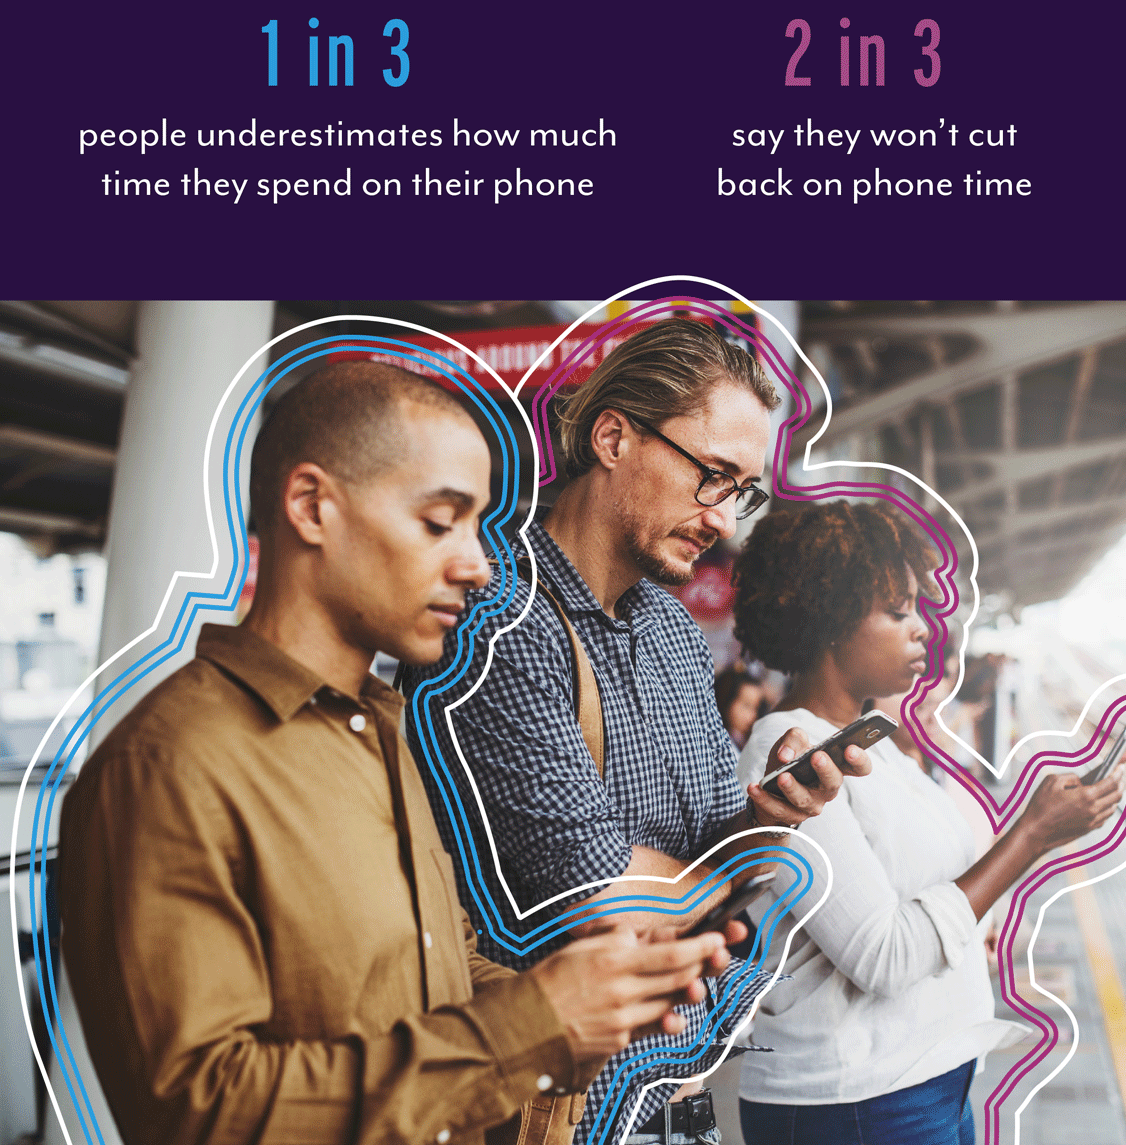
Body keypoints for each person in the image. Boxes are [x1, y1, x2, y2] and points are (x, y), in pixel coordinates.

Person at [56, 360, 742, 1145]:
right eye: (439, 522)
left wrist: (596, 1000)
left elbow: (434, 976)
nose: (477, 565)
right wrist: (535, 1021)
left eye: (477, 526)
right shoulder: (167, 768)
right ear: (311, 507)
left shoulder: (382, 734)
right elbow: (199, 1110)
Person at [404, 319, 872, 1145]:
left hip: (673, 1098)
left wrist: (769, 818)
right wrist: (731, 870)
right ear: (613, 437)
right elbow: (597, 901)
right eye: (711, 476)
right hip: (554, 1108)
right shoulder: (496, 623)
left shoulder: (674, 632)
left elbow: (714, 854)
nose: (722, 520)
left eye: (742, 493)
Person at [730, 499, 1126, 1145]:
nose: (921, 629)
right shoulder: (791, 752)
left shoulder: (871, 744)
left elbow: (938, 887)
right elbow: (884, 956)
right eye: (898, 612)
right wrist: (1032, 834)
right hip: (856, 1104)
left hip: (924, 1082)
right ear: (830, 619)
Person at [714, 665, 767, 750]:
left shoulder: (742, 742)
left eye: (756, 708)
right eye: (746, 705)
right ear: (726, 698)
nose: (753, 715)